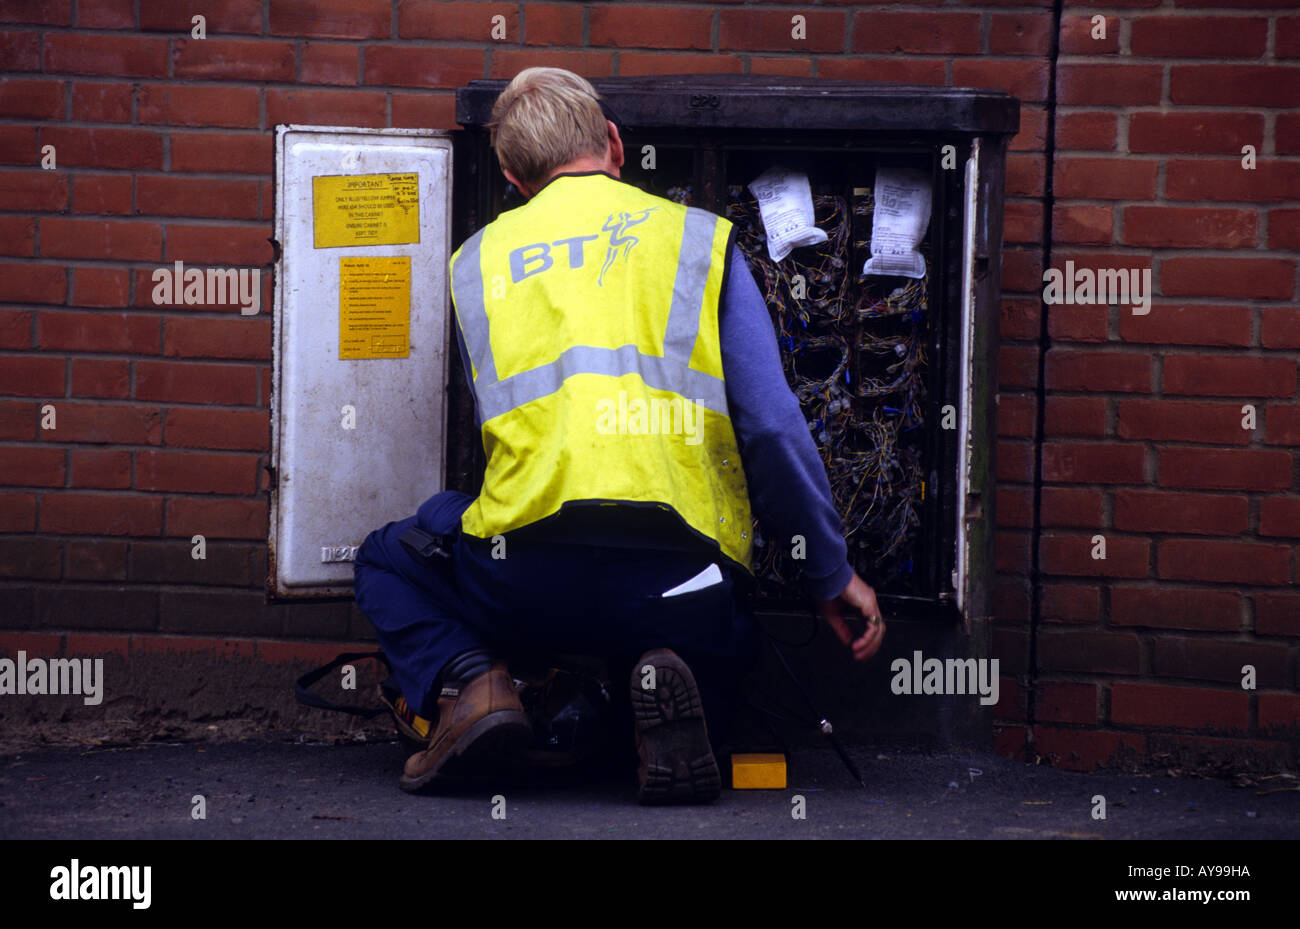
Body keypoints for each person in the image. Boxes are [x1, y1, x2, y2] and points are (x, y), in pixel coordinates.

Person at [353, 67, 886, 804]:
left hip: (524, 583)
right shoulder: (696, 242)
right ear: (613, 142)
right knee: (721, 640)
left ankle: (473, 681)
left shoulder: (476, 262)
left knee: (387, 554)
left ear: (511, 176)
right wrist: (829, 572)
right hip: (682, 582)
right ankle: (668, 673)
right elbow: (770, 426)